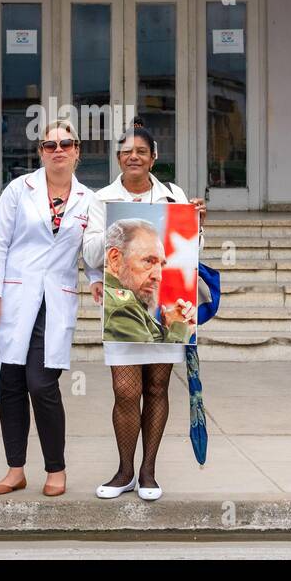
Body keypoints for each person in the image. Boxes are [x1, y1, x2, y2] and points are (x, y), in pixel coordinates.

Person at [81, 118, 205, 502]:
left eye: (141, 151)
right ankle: (123, 470)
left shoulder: (172, 196)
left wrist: (197, 221)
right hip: (121, 313)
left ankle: (148, 471)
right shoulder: (100, 200)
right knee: (124, 390)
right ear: (118, 158)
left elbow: (189, 251)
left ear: (154, 157)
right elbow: (88, 253)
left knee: (157, 387)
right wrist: (116, 227)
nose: (133, 157)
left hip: (164, 304)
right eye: (126, 152)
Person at [0, 120, 102, 498]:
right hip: (15, 298)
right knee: (11, 384)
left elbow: (92, 249)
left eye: (66, 143)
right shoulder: (19, 190)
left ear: (78, 150)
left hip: (56, 300)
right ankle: (15, 469)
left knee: (42, 384)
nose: (58, 150)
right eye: (50, 145)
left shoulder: (89, 199)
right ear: (41, 152)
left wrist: (97, 278)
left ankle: (56, 469)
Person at [103, 218, 193, 345]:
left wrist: (168, 327)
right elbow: (157, 364)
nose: (159, 276)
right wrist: (180, 328)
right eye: (148, 261)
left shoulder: (130, 300)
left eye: (161, 265)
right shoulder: (123, 307)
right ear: (115, 258)